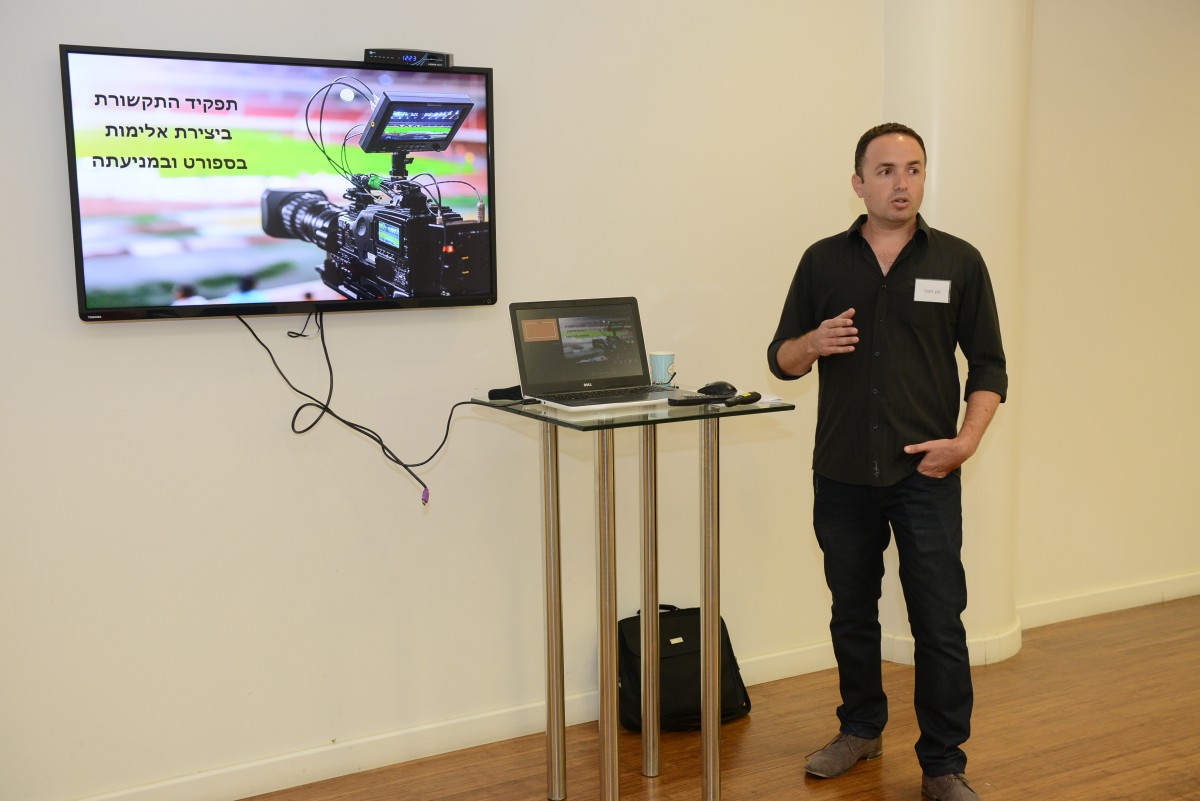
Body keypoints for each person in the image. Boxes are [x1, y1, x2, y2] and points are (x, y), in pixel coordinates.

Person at [766, 123, 1007, 801]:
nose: (902, 183)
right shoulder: (822, 261)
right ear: (858, 183)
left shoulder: (959, 261)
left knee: (939, 621)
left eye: (914, 168)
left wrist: (965, 442)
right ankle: (860, 728)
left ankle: (943, 763)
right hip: (842, 472)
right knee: (852, 612)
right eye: (886, 171)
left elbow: (989, 364)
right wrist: (811, 343)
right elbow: (781, 360)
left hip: (926, 474)